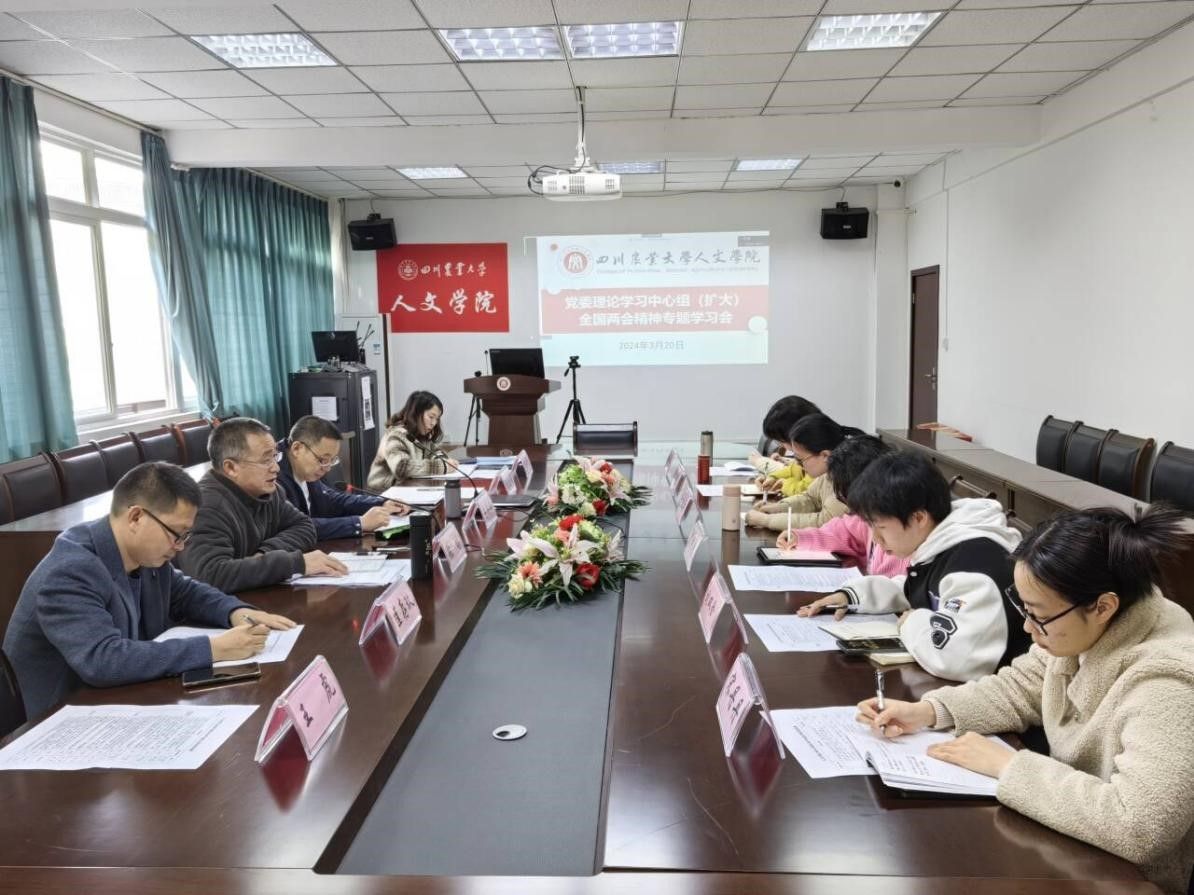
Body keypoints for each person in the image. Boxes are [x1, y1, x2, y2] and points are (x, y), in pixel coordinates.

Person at [857, 506, 1194, 895]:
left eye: (1038, 615)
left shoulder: (1169, 682)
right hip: (1071, 845)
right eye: (1025, 609)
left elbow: (1138, 826)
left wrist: (1009, 766)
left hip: (1128, 879)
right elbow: (1021, 686)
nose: (1027, 626)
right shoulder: (1082, 628)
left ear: (1103, 607)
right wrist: (930, 711)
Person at [3, 462, 295, 720]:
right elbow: (103, 660)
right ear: (135, 517)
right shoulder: (71, 570)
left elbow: (184, 592)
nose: (180, 546)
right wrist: (213, 648)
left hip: (114, 701)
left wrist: (234, 611)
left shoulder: (142, 552)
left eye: (186, 536)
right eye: (176, 534)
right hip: (57, 721)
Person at [798, 451, 1028, 682]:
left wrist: (912, 622)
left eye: (881, 528)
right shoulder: (941, 544)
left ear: (918, 518)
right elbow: (916, 587)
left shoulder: (975, 565)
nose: (876, 539)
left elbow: (958, 659)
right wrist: (852, 596)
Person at [179, 417, 347, 592]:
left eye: (275, 456)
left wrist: (264, 555)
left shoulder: (270, 491)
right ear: (231, 468)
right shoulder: (206, 507)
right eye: (266, 460)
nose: (276, 468)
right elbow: (210, 575)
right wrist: (293, 563)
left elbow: (304, 526)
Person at [775, 435, 908, 578]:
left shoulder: (904, 536)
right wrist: (802, 537)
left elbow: (893, 585)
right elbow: (844, 531)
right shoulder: (868, 515)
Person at [278, 415, 409, 539]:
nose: (327, 468)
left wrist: (381, 503)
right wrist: (359, 523)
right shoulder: (274, 476)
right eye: (323, 460)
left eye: (332, 460)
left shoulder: (304, 469)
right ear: (297, 449)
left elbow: (333, 501)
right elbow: (297, 526)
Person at [745, 414, 855, 532]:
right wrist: (777, 508)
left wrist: (767, 520)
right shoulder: (829, 471)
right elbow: (810, 498)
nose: (798, 465)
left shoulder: (847, 479)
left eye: (800, 459)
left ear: (825, 456)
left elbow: (824, 523)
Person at [367, 390, 458, 490]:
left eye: (437, 419)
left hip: (406, 489)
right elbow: (401, 467)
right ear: (416, 414)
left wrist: (444, 461)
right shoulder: (395, 435)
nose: (434, 423)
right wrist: (440, 467)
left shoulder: (420, 435)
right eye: (431, 417)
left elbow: (435, 452)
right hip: (383, 493)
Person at [747, 395, 820, 495]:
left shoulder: (819, 457)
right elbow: (793, 470)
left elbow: (807, 490)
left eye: (781, 441)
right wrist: (773, 477)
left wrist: (783, 484)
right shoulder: (805, 453)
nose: (783, 446)